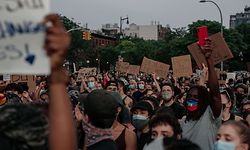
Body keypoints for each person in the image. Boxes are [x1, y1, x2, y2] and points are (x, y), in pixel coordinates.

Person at [180, 39, 222, 150]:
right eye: (189, 97)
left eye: (196, 98)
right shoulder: (183, 122)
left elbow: (215, 93)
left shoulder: (210, 115)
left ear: (204, 100)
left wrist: (208, 58)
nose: (191, 100)